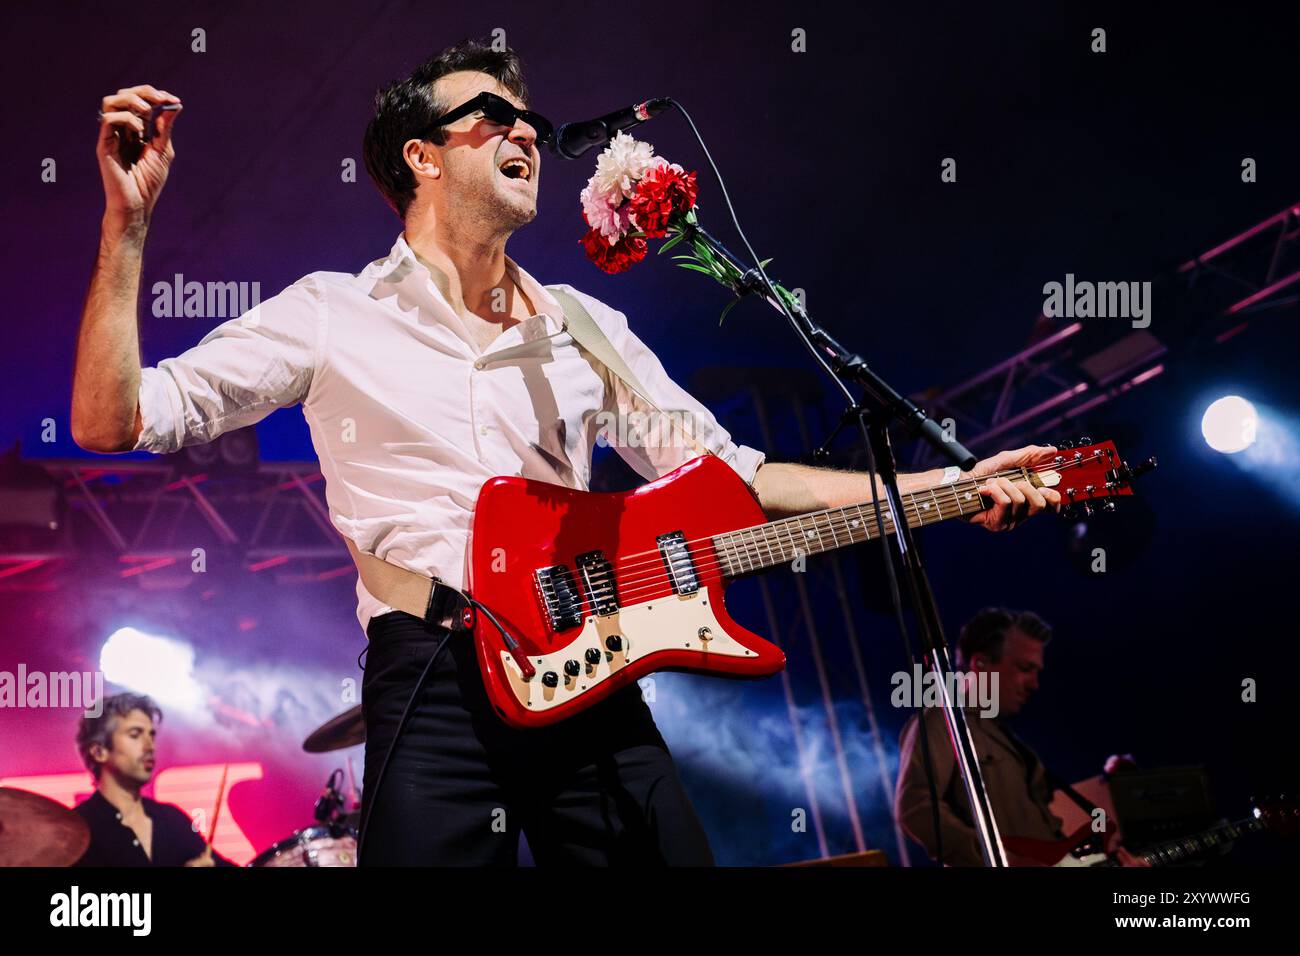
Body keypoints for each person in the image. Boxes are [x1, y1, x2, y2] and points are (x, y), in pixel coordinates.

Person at [72, 39, 1059, 866]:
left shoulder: (586, 324)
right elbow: (113, 420)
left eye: (530, 120)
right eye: (492, 116)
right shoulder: (330, 311)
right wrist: (129, 226)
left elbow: (734, 473)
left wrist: (952, 481)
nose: (527, 133)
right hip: (434, 680)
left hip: (588, 666)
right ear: (421, 157)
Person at [894, 608, 1146, 866]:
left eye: (1037, 671)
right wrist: (1001, 861)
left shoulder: (1005, 737)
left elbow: (1043, 836)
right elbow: (916, 809)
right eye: (1025, 668)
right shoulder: (942, 721)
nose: (1034, 683)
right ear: (979, 663)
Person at [73, 693, 235, 867]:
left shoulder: (171, 820)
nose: (150, 746)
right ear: (99, 752)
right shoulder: (76, 832)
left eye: (151, 735)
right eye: (135, 735)